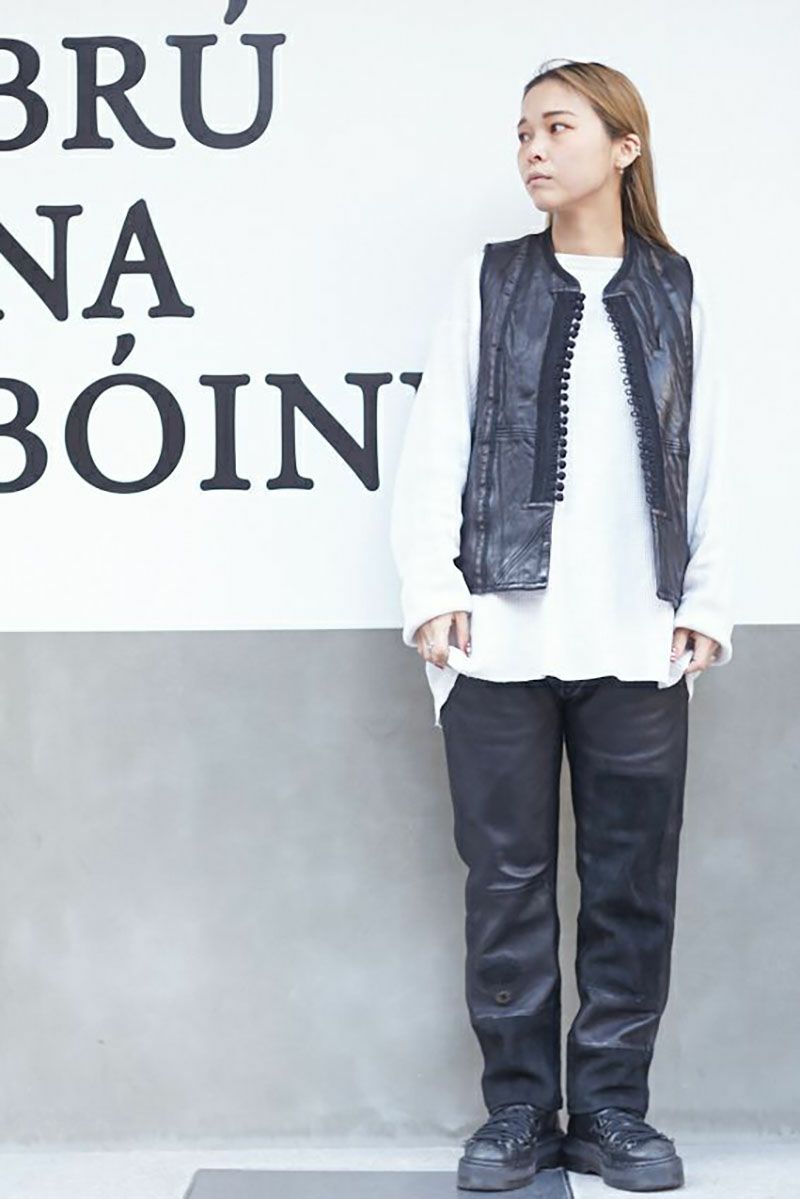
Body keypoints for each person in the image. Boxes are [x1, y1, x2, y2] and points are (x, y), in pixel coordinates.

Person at [389, 58, 733, 1194]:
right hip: (497, 637)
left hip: (639, 638)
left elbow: (710, 456)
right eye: (523, 133)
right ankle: (519, 1112)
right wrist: (432, 589)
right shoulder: (490, 281)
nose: (532, 150)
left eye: (556, 128)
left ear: (623, 146)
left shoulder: (675, 288)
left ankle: (614, 1112)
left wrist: (704, 602)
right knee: (506, 886)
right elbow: (435, 441)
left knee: (633, 885)